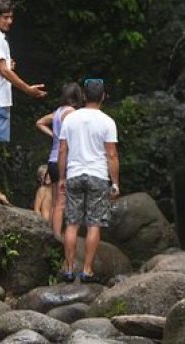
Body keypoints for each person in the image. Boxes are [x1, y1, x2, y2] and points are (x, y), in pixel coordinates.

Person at [0, 0, 47, 204]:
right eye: (5, 17)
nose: (9, 21)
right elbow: (4, 71)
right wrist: (28, 89)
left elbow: (1, 67)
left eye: (11, 17)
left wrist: (9, 66)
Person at [58, 78, 119, 283]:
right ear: (103, 96)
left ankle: (68, 269)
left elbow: (62, 150)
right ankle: (86, 270)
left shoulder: (70, 119)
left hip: (74, 174)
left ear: (84, 96)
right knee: (94, 225)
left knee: (72, 224)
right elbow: (111, 155)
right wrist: (115, 182)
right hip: (97, 176)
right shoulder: (107, 122)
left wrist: (62, 177)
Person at [35, 82, 84, 236]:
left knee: (56, 203)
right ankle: (58, 236)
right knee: (64, 204)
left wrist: (53, 135)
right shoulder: (72, 113)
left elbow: (39, 122)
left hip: (52, 160)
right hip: (66, 161)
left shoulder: (57, 113)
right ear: (77, 97)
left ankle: (52, 234)